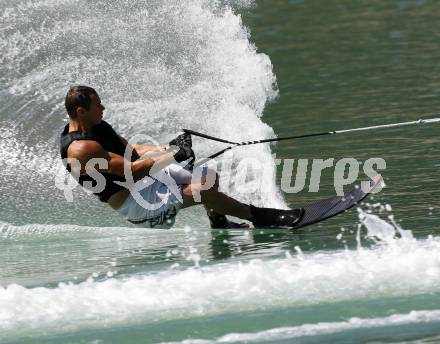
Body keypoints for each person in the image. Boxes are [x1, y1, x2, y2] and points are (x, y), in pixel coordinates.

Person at [60, 86, 303, 229]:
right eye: (98, 105)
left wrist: (172, 146)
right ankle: (260, 217)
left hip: (145, 182)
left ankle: (220, 224)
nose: (103, 108)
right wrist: (171, 157)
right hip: (135, 202)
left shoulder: (98, 126)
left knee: (208, 177)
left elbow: (132, 152)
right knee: (203, 188)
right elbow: (130, 171)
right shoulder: (80, 150)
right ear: (81, 111)